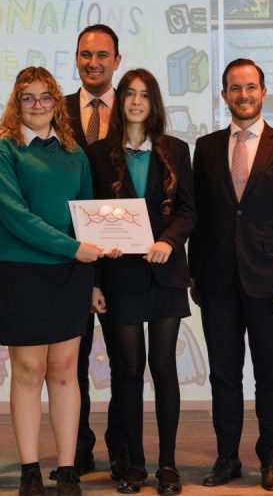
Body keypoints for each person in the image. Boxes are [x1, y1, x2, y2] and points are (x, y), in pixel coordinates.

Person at [188, 58, 273, 492]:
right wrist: (195, 275)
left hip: (272, 284)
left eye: (251, 87)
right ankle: (227, 458)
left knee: (270, 376)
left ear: (263, 92)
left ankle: (271, 459)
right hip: (217, 283)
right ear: (224, 95)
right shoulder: (205, 147)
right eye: (235, 88)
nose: (243, 95)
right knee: (224, 376)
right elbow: (197, 217)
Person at [0, 66, 103, 496]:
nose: (37, 105)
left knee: (65, 370)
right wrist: (72, 247)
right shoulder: (1, 149)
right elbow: (15, 216)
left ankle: (66, 471)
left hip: (70, 273)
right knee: (29, 370)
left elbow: (87, 216)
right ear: (16, 102)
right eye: (27, 97)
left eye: (45, 96)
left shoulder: (74, 152)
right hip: (20, 271)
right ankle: (30, 470)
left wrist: (93, 275)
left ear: (56, 102)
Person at [87, 68, 195, 495]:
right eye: (129, 94)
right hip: (120, 276)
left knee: (163, 367)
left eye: (144, 95)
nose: (136, 102)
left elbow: (188, 211)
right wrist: (95, 280)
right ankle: (134, 465)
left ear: (154, 103)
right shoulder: (98, 154)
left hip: (166, 275)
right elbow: (89, 217)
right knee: (128, 370)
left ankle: (168, 465)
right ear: (120, 102)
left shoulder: (176, 150)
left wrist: (169, 241)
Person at [64, 23, 129, 479]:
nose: (93, 63)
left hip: (124, 259)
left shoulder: (134, 108)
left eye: (102, 55)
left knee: (125, 362)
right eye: (86, 54)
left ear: (117, 61)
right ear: (76, 59)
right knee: (71, 362)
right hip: (70, 258)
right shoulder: (57, 111)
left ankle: (121, 448)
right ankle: (78, 447)